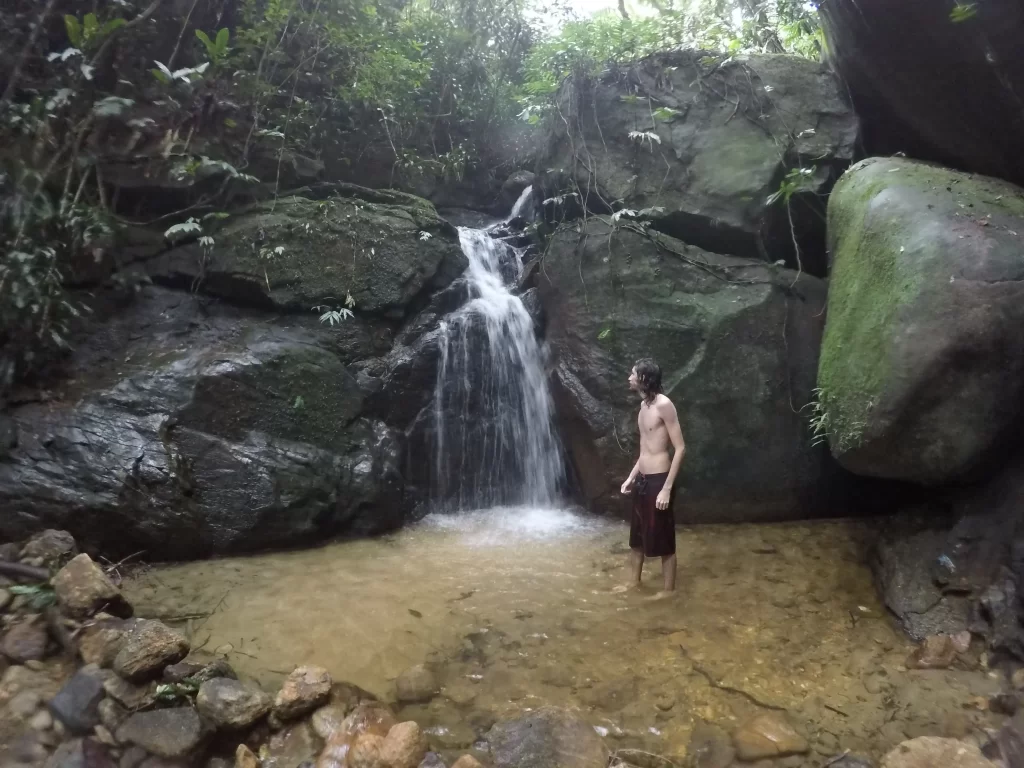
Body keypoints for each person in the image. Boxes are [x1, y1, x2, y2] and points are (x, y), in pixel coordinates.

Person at [619, 358, 685, 598]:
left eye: (633, 374)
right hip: (643, 479)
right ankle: (633, 583)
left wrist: (667, 488)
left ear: (644, 378)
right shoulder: (643, 406)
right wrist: (631, 477)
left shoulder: (664, 405)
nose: (629, 377)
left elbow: (680, 448)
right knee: (636, 536)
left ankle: (668, 591)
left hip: (659, 479)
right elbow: (644, 449)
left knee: (663, 537)